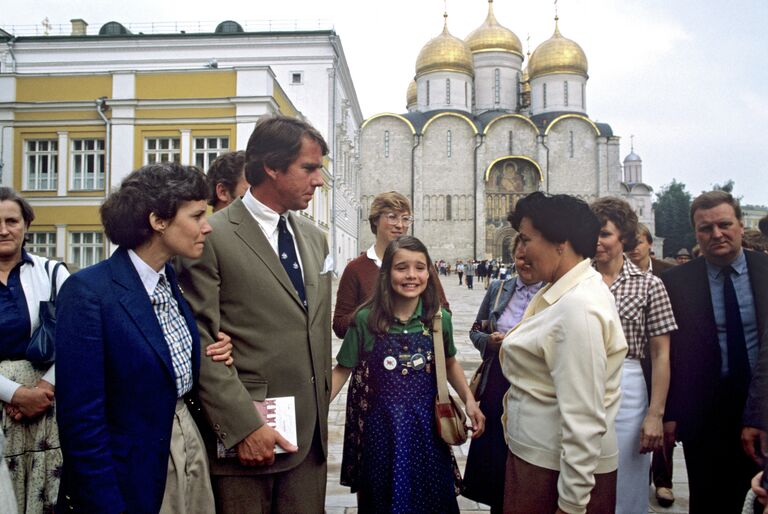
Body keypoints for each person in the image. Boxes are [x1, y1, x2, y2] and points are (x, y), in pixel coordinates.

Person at [55, 163, 234, 513]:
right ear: (158, 221)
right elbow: (81, 423)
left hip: (187, 451)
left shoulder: (169, 278)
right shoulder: (89, 292)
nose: (207, 227)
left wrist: (210, 350)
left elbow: (163, 362)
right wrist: (107, 505)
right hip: (133, 476)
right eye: (197, 215)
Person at [178, 115, 333, 513]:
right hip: (249, 440)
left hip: (309, 440)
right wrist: (242, 427)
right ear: (272, 167)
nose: (319, 181)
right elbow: (201, 339)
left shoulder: (315, 240)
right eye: (309, 168)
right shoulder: (212, 236)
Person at [330, 235, 484, 513]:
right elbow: (343, 370)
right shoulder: (366, 319)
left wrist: (469, 400)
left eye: (420, 267)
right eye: (402, 268)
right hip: (382, 430)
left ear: (429, 272)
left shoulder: (438, 319)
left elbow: (448, 363)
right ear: (387, 273)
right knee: (383, 498)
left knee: (431, 499)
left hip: (428, 429)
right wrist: (313, 411)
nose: (412, 275)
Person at [501, 192, 627, 514]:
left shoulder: (577, 308)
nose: (521, 251)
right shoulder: (564, 291)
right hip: (541, 460)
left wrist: (571, 504)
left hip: (552, 473)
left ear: (561, 242)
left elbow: (584, 417)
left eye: (527, 239)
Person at [662, 191, 768, 513]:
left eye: (724, 224)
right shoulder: (675, 282)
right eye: (706, 228)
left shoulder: (766, 271)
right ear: (696, 233)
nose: (716, 234)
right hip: (704, 414)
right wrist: (669, 414)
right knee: (709, 499)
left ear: (739, 225)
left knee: (760, 498)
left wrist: (761, 413)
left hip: (760, 404)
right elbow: (671, 352)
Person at [590, 197, 678, 514]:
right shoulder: (576, 282)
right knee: (580, 474)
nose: (597, 242)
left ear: (623, 237)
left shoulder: (649, 285)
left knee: (627, 475)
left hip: (628, 386)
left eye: (605, 234)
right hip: (580, 383)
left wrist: (655, 414)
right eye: (593, 235)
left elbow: (661, 354)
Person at [463, 235, 544, 513]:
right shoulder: (499, 288)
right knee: (496, 455)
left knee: (528, 456)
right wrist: (490, 341)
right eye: (520, 258)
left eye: (531, 258)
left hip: (534, 383)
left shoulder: (553, 294)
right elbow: (475, 330)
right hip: (498, 380)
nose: (525, 263)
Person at [0, 187, 67, 513]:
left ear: (27, 224)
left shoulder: (53, 273)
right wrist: (14, 394)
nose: (3, 230)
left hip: (46, 408)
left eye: (12, 220)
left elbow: (80, 337)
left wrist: (43, 389)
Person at [333, 191, 449, 339]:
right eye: (392, 217)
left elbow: (444, 311)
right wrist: (375, 311)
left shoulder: (421, 266)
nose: (400, 225)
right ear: (375, 220)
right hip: (371, 357)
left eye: (405, 219)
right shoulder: (356, 268)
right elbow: (339, 326)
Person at [627, 222, 677, 507]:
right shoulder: (612, 276)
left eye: (638, 242)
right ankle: (637, 481)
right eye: (629, 242)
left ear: (650, 244)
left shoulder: (666, 275)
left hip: (661, 360)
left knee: (663, 427)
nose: (633, 247)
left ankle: (663, 481)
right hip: (633, 367)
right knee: (634, 434)